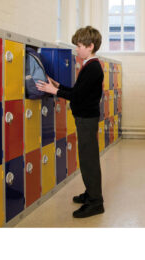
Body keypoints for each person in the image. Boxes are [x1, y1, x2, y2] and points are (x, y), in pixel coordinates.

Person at [36, 26, 104, 218]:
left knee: (89, 160)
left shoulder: (92, 67)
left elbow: (77, 96)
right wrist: (58, 85)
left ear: (90, 46)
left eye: (80, 46)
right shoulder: (90, 65)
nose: (77, 50)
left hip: (87, 119)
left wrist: (54, 91)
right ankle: (90, 193)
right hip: (86, 118)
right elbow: (78, 91)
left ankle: (95, 202)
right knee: (87, 158)